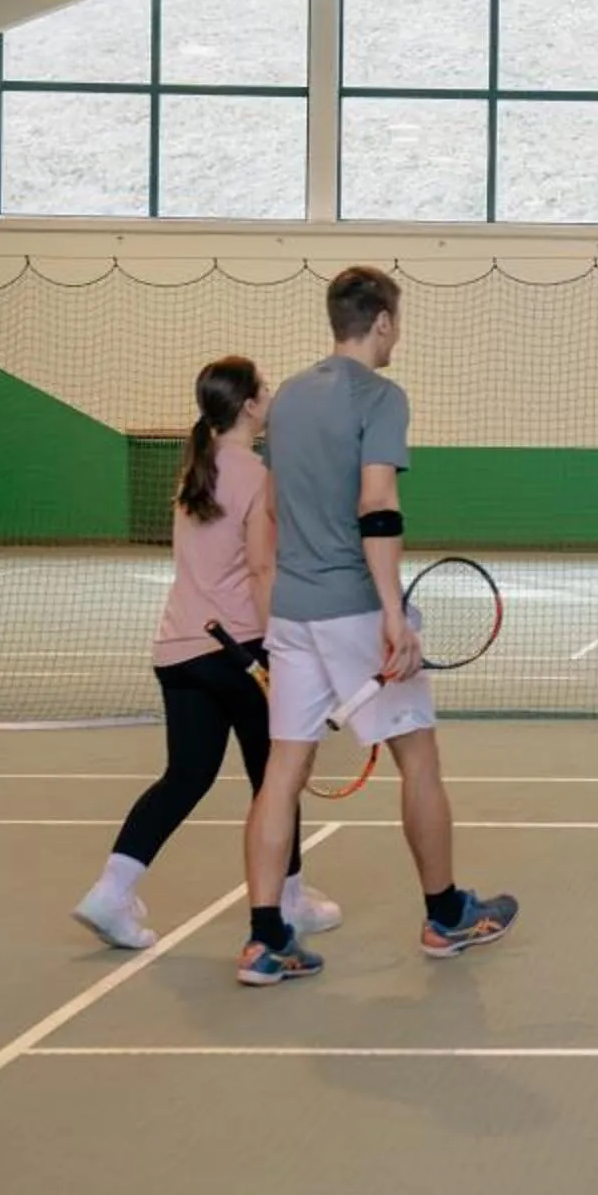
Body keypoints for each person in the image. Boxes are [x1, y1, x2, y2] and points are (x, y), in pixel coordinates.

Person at [238, 266, 515, 985]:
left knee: (282, 772)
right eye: (400, 319)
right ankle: (446, 915)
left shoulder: (289, 399)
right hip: (356, 608)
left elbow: (267, 514)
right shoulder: (382, 397)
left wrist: (275, 606)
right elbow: (377, 504)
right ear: (383, 321)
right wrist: (395, 617)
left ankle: (266, 938)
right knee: (418, 760)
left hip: (294, 613)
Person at [73, 357, 339, 952]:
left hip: (179, 649)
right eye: (264, 390)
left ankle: (112, 890)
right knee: (276, 779)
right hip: (237, 649)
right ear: (248, 405)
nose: (271, 396)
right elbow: (263, 568)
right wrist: (280, 649)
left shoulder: (194, 469)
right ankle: (288, 900)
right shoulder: (255, 475)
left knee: (186, 775)